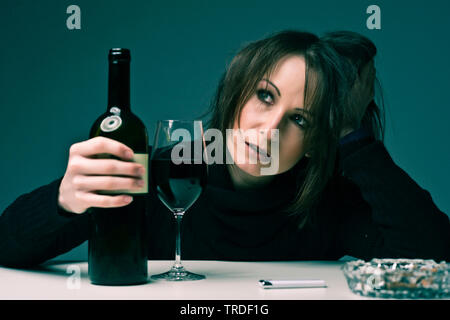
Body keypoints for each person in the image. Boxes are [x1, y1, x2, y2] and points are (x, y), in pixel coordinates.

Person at [0, 30, 448, 268]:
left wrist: (353, 133)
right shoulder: (166, 172)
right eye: (265, 96)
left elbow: (437, 257)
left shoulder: (327, 202)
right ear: (235, 97)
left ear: (315, 143)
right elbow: (6, 247)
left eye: (300, 119)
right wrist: (64, 199)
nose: (269, 129)